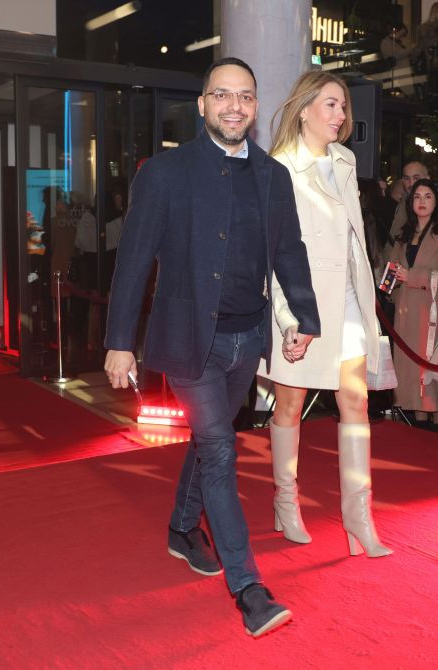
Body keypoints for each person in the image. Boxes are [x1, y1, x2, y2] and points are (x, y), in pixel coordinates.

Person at [104, 58, 320, 637]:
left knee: (210, 441)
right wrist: (119, 342)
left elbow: (290, 251)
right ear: (202, 104)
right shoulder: (164, 173)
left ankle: (182, 528)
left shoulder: (273, 176)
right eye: (221, 95)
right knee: (221, 450)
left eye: (244, 96)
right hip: (189, 339)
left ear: (256, 106)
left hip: (248, 339)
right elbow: (133, 261)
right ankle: (249, 589)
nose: (233, 105)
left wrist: (304, 316)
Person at [257, 71, 391, 558]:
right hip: (302, 300)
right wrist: (288, 318)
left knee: (355, 400)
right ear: (305, 109)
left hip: (348, 297)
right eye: (331, 104)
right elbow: (271, 254)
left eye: (343, 106)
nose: (341, 115)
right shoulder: (279, 167)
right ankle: (285, 502)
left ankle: (359, 516)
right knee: (289, 406)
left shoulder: (345, 161)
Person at [387, 178, 438, 433]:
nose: (422, 201)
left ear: (436, 202)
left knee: (434, 371)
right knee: (411, 373)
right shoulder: (403, 237)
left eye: (427, 196)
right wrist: (388, 281)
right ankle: (417, 426)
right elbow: (393, 270)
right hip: (405, 312)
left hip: (432, 312)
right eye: (417, 197)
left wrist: (413, 276)